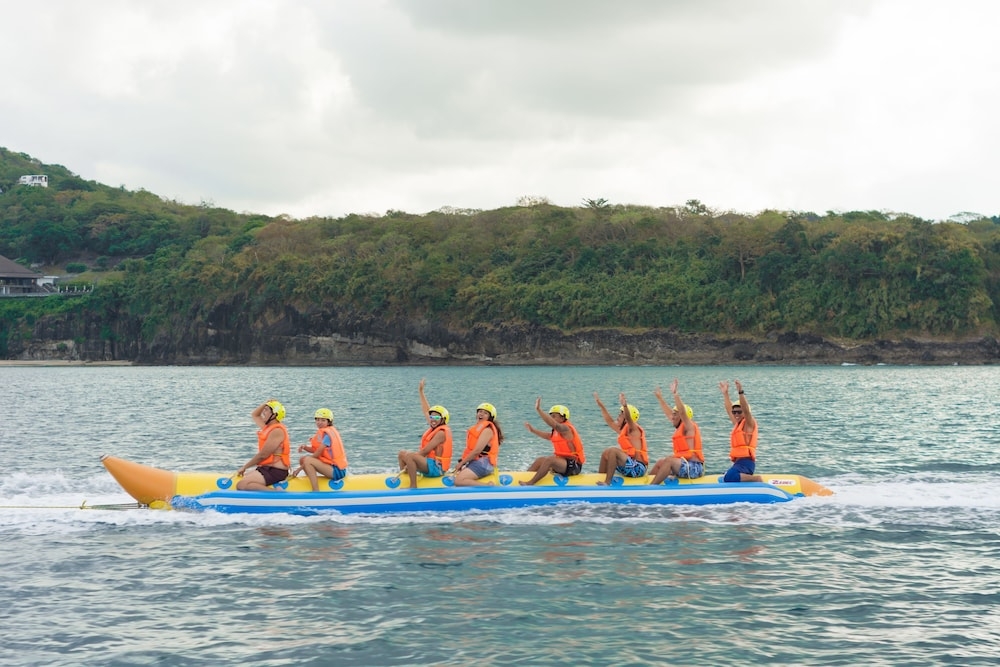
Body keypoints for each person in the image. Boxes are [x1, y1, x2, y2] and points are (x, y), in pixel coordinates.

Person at [396, 379, 453, 489]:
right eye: (432, 417)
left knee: (410, 456)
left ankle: (413, 486)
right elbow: (426, 410)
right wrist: (421, 391)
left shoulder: (441, 433)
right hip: (429, 464)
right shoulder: (434, 426)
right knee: (402, 453)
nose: (433, 419)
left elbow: (425, 451)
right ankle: (407, 477)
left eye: (437, 417)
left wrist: (410, 460)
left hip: (437, 468)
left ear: (443, 420)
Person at [649, 379, 704, 485]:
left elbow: (682, 412)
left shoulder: (689, 427)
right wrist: (660, 399)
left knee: (669, 460)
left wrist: (675, 394)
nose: (672, 417)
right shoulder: (680, 426)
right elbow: (669, 414)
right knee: (661, 462)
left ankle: (652, 487)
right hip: (684, 465)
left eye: (675, 414)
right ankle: (645, 483)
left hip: (694, 467)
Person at [520, 398, 586, 486]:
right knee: (540, 460)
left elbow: (553, 424)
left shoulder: (566, 429)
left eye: (554, 416)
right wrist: (533, 430)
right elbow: (548, 436)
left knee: (549, 460)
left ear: (563, 417)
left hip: (574, 465)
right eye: (551, 416)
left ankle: (531, 483)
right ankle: (523, 477)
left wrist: (539, 410)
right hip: (563, 463)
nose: (552, 418)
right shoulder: (556, 431)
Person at [235, 399, 291, 491]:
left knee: (241, 485)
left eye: (266, 410)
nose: (263, 412)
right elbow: (255, 415)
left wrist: (244, 467)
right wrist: (266, 403)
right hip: (267, 469)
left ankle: (277, 494)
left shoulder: (277, 431)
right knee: (245, 479)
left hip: (276, 471)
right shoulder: (267, 428)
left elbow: (263, 455)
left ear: (274, 415)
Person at [594, 391, 648, 485]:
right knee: (606, 453)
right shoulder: (624, 430)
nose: (618, 417)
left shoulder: (634, 429)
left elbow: (628, 419)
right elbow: (610, 422)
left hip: (638, 468)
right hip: (629, 465)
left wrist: (625, 406)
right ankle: (600, 477)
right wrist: (601, 406)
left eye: (621, 415)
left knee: (613, 451)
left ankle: (607, 482)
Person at [290, 407, 348, 492]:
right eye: (317, 420)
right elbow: (316, 451)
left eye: (323, 420)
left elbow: (317, 453)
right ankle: (309, 481)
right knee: (303, 459)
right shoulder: (324, 433)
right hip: (330, 467)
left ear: (329, 422)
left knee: (307, 460)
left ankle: (315, 490)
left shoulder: (328, 435)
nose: (319, 422)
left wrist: (299, 469)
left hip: (337, 471)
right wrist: (305, 447)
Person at [720, 379, 763, 483]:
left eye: (739, 412)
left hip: (747, 463)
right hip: (738, 463)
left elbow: (746, 410)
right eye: (734, 412)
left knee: (729, 477)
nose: (736, 414)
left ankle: (756, 479)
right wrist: (725, 394)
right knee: (725, 477)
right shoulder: (737, 424)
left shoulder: (749, 423)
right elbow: (728, 409)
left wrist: (740, 392)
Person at [453, 402, 504, 487]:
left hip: (484, 464)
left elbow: (476, 451)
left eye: (485, 413)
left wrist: (461, 463)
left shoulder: (487, 431)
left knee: (458, 481)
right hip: (477, 462)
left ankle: (488, 486)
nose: (481, 414)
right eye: (480, 411)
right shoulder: (479, 429)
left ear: (490, 417)